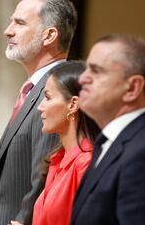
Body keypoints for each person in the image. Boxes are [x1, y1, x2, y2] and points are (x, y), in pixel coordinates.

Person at [70, 34, 145, 225]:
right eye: (86, 69)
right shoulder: (111, 142)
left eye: (96, 71)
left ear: (133, 88)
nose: (82, 78)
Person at [0, 0, 77, 225]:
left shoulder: (56, 93)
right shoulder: (33, 89)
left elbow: (44, 174)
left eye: (19, 23)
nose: (8, 30)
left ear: (49, 35)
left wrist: (22, 221)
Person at [24, 61, 99, 225]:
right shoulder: (57, 158)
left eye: (48, 98)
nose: (40, 107)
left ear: (73, 104)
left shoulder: (85, 164)